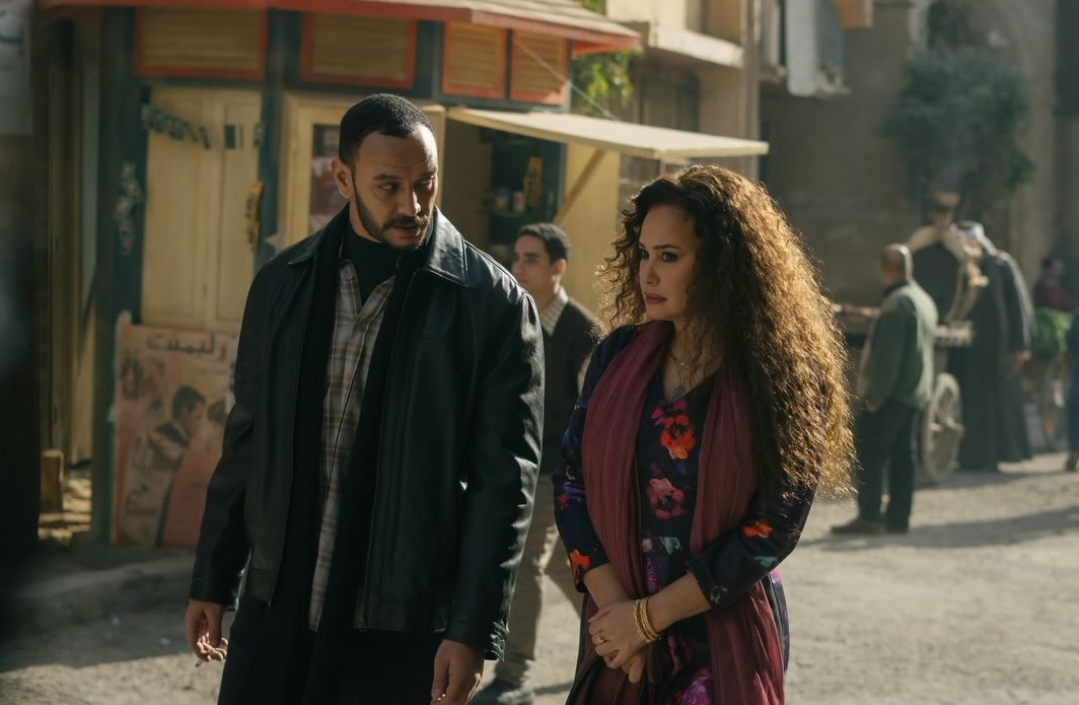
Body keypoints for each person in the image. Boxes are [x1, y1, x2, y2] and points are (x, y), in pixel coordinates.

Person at [184, 94, 544, 705]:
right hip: (277, 610)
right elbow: (248, 442)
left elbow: (503, 483)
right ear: (344, 178)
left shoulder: (493, 306)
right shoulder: (283, 285)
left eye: (425, 184)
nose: (412, 205)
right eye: (388, 186)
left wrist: (471, 630)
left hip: (402, 624)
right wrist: (213, 577)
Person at [553, 165, 853, 704]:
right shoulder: (617, 356)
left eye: (669, 257)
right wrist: (619, 614)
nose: (647, 274)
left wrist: (648, 618)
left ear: (721, 263)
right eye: (643, 254)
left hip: (719, 635)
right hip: (616, 629)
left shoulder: (782, 376)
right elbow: (571, 483)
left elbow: (774, 526)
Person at [475, 224, 600, 705]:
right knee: (567, 568)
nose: (519, 268)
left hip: (559, 473)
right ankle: (615, 636)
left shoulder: (584, 332)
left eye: (531, 259)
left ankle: (514, 675)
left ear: (558, 268)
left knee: (526, 561)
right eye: (517, 257)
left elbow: (596, 416)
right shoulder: (514, 316)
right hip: (517, 465)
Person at [832, 246, 938, 535]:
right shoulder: (922, 299)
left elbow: (887, 360)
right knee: (903, 456)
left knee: (869, 450)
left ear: (883, 271)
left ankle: (869, 515)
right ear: (909, 268)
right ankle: (898, 518)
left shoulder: (896, 305)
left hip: (892, 394)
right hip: (914, 392)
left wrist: (874, 397)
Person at [948, 222, 1034, 471]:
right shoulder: (958, 264)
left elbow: (1017, 306)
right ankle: (970, 457)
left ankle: (992, 457)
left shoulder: (1001, 265)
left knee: (994, 402)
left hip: (996, 346)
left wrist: (1019, 344)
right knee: (971, 401)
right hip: (967, 346)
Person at [120, 384, 207, 545]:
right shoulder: (167, 439)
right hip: (150, 516)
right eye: (198, 417)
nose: (200, 424)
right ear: (184, 413)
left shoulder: (167, 436)